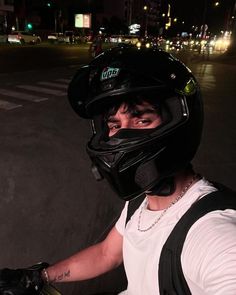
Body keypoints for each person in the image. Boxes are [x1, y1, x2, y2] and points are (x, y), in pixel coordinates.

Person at [0, 47, 236, 295]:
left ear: (177, 121)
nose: (122, 135)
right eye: (115, 125)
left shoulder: (213, 231)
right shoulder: (141, 200)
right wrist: (38, 277)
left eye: (142, 120)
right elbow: (106, 254)